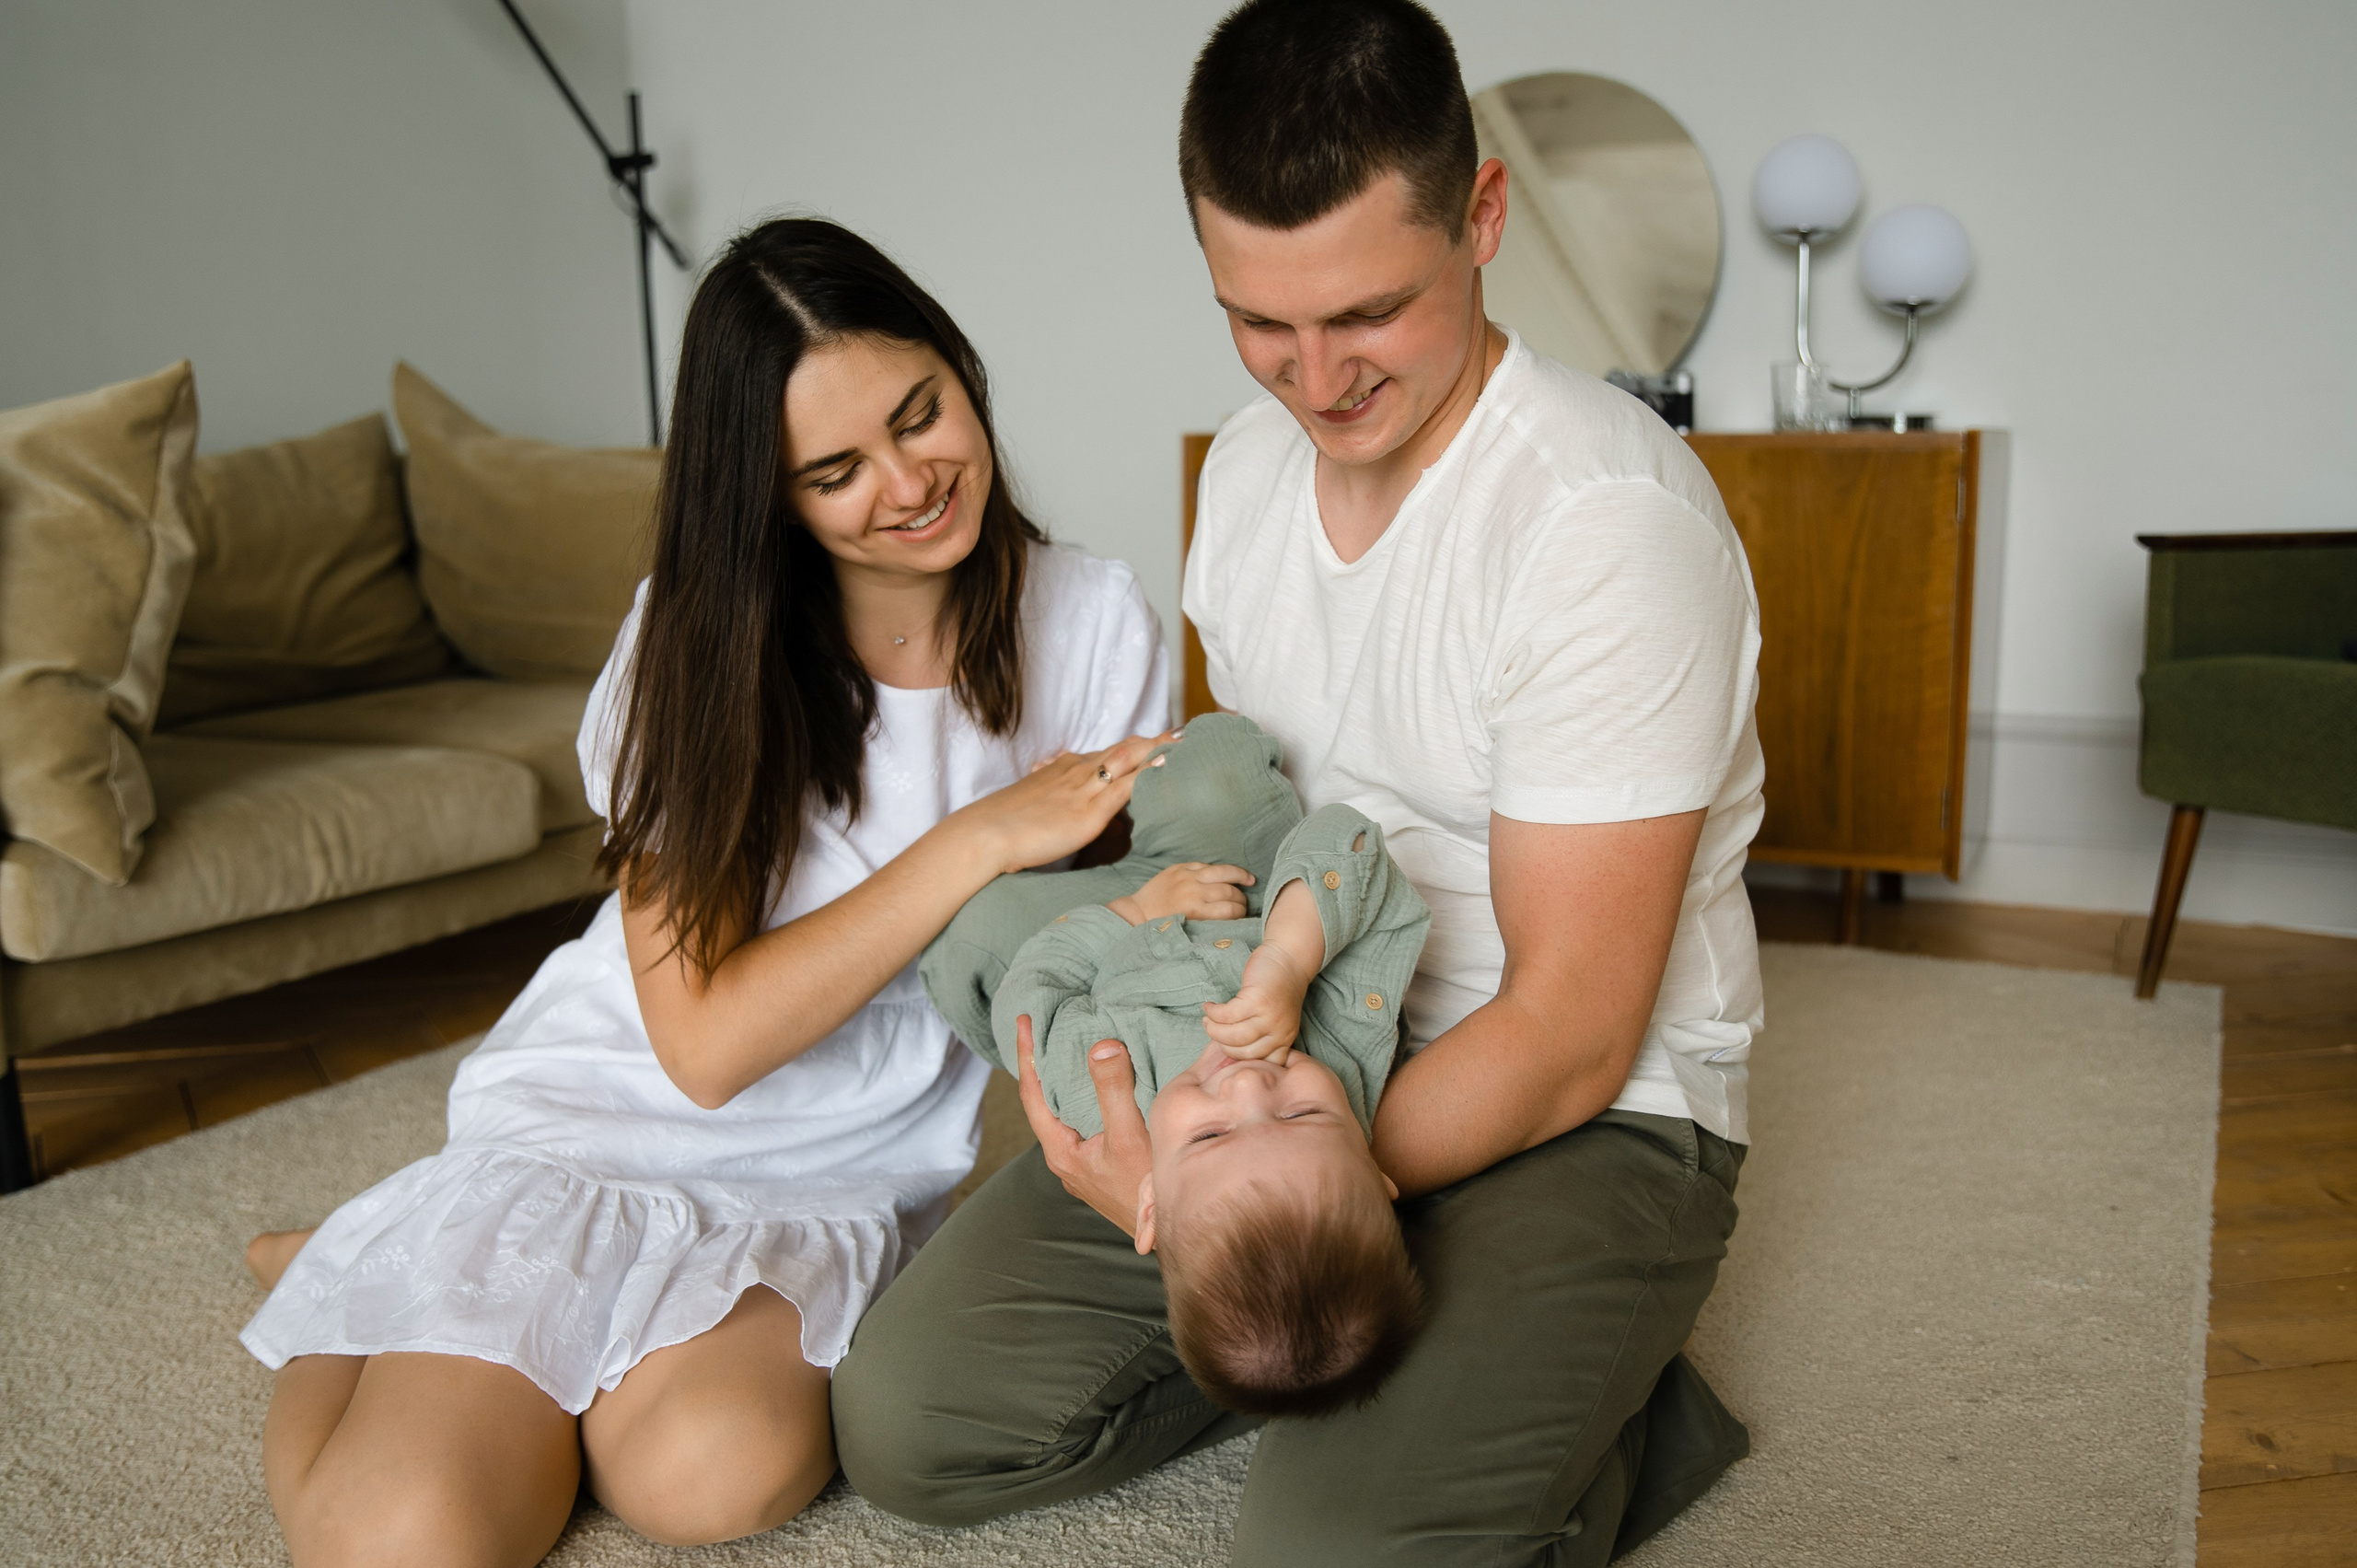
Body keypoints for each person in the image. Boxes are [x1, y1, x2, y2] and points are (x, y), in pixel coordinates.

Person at [831, 1, 1766, 1563]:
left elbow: (1573, 1033)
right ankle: (1401, 1364)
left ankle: (1598, 1397)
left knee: (1323, 1555)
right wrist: (1195, 1144)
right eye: (1260, 322)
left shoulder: (1604, 525)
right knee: (913, 1421)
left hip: (1583, 1109)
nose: (1316, 379)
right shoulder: (1250, 474)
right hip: (1270, 1040)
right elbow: (1244, 809)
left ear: (1483, 213)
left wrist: (1241, 1179)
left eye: (1369, 313)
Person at [236, 217, 1173, 1568]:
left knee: (708, 1473)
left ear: (960, 368)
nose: (911, 482)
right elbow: (705, 1048)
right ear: (770, 495)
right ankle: (360, 1266)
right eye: (837, 471)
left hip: (846, 1168)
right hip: (609, 1111)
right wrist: (975, 840)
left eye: (922, 412)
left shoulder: (1092, 623)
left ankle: (401, 1270)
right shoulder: (688, 643)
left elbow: (1084, 947)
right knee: (405, 1532)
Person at [925, 711, 1433, 1415]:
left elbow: (1037, 992)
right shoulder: (1355, 1033)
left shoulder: (1103, 1101)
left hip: (1109, 934)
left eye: (1211, 1134)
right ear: (1378, 1175)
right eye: (1301, 1113)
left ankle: (1103, 866)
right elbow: (1350, 845)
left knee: (961, 947)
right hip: (1247, 882)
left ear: (1148, 1199)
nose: (1249, 1084)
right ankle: (1142, 825)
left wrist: (1134, 910)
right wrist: (1288, 958)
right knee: (1218, 757)